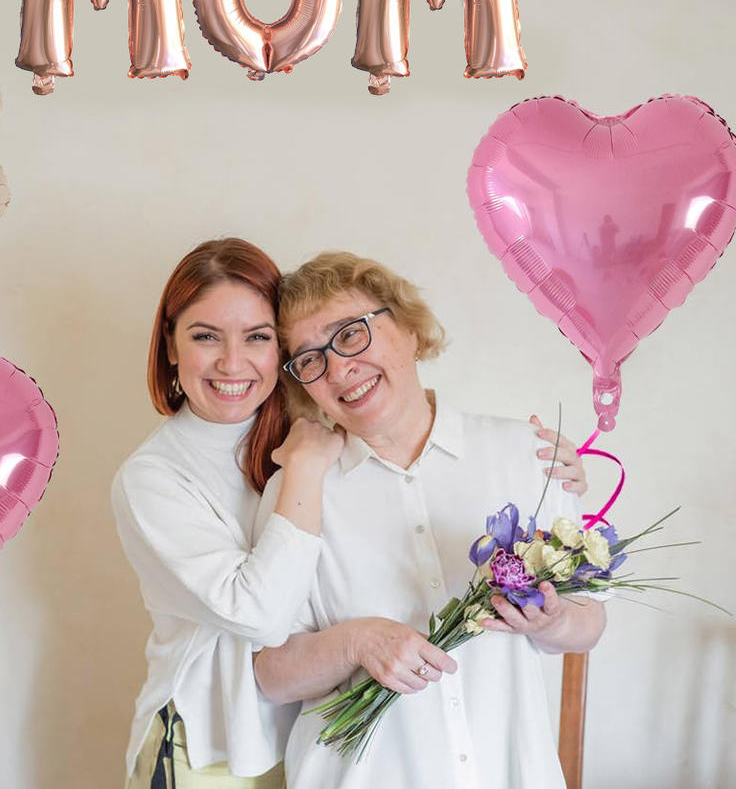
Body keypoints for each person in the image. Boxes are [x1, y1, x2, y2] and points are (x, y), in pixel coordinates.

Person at [253, 251, 602, 789]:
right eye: (309, 360)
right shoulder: (297, 487)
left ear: (410, 330)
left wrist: (551, 621)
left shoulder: (527, 455)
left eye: (350, 334)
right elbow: (271, 675)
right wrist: (355, 643)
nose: (339, 369)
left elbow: (589, 622)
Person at [111, 238, 343, 788]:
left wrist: (536, 461)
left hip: (317, 738)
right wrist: (303, 470)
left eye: (257, 337)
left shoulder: (313, 432)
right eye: (205, 336)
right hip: (209, 749)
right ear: (171, 346)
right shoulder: (152, 478)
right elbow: (260, 614)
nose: (232, 363)